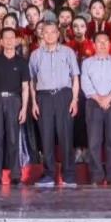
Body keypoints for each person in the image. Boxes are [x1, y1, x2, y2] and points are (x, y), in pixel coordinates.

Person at [29, 22, 80, 187]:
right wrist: (34, 102)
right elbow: (32, 80)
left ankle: (68, 175)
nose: (50, 35)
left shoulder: (67, 52)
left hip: (64, 95)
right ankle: (49, 174)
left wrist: (74, 100)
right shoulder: (35, 55)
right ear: (41, 34)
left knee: (66, 136)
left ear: (58, 34)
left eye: (53, 32)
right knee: (46, 137)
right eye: (46, 32)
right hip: (44, 97)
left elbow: (75, 77)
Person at [0, 27, 30, 185]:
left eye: (12, 37)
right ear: (1, 41)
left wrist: (24, 108)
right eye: (6, 38)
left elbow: (25, 87)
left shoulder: (22, 62)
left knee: (13, 138)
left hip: (14, 101)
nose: (9, 41)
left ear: (16, 41)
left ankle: (16, 174)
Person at [81, 32, 111, 185]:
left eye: (105, 41)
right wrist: (99, 99)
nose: (102, 44)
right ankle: (96, 175)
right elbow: (86, 83)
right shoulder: (87, 63)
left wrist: (108, 98)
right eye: (99, 42)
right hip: (94, 103)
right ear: (94, 45)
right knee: (94, 142)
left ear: (110, 44)